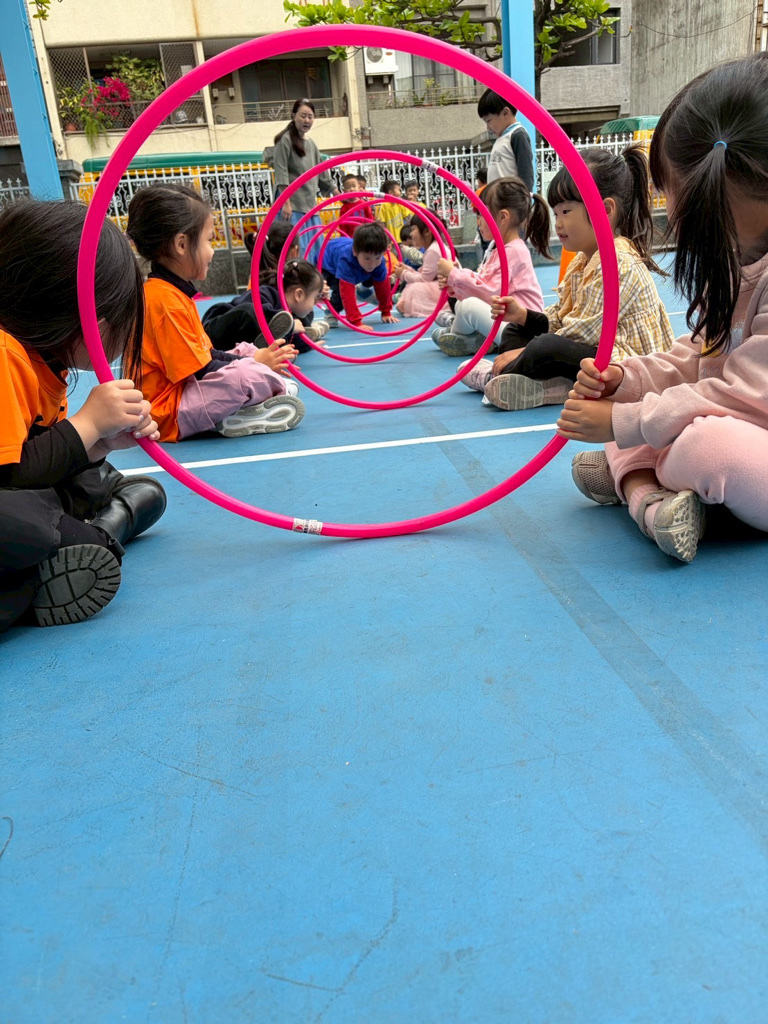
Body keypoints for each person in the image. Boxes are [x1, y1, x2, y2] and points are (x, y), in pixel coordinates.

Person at [557, 53, 768, 563]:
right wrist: (626, 380)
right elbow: (698, 355)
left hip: (744, 435)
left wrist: (628, 421)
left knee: (705, 446)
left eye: (668, 192)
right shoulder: (737, 264)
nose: (668, 211)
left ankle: (641, 485)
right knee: (652, 422)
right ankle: (656, 496)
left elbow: (747, 399)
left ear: (712, 185)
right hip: (734, 422)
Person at [0, 200, 166, 630]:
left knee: (94, 479)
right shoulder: (4, 354)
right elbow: (10, 477)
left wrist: (98, 445)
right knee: (28, 524)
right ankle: (79, 546)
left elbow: (34, 454)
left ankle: (85, 535)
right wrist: (87, 425)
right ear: (90, 320)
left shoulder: (40, 361)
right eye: (121, 317)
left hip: (19, 489)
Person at [485, 143, 675, 410]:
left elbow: (583, 333)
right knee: (516, 330)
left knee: (544, 347)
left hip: (625, 364)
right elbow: (563, 315)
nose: (558, 223)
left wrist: (525, 352)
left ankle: (504, 375)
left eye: (566, 212)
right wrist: (524, 316)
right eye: (556, 213)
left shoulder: (618, 262)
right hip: (592, 353)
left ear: (604, 210)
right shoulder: (584, 261)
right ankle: (548, 384)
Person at [127, 185, 305, 440]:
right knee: (245, 374)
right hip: (168, 412)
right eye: (209, 240)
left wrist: (255, 358)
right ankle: (243, 406)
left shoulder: (173, 293)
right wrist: (257, 365)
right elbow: (203, 370)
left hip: (186, 390)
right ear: (181, 244)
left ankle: (252, 393)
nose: (212, 251)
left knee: (245, 350)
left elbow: (206, 356)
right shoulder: (164, 302)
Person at [431, 177, 548, 356]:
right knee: (463, 304)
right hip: (504, 323)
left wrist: (454, 274)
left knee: (468, 306)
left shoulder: (514, 250)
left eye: (482, 215)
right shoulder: (497, 248)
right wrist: (452, 281)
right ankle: (471, 338)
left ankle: (464, 336)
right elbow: (483, 283)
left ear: (503, 217)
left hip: (519, 331)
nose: (478, 221)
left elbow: (489, 292)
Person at [202, 223, 330, 351]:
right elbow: (250, 314)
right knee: (251, 311)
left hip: (235, 343)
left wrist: (306, 342)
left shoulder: (290, 307)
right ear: (299, 295)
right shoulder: (266, 292)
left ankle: (272, 344)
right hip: (213, 331)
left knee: (288, 334)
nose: (315, 303)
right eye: (314, 299)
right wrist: (291, 325)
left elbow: (296, 327)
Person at [273, 98, 337, 263]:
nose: (307, 120)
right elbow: (281, 172)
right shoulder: (285, 140)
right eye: (303, 116)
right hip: (292, 207)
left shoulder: (311, 144)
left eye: (310, 116)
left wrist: (337, 192)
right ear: (293, 115)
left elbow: (321, 172)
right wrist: (286, 203)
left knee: (316, 250)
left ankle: (314, 279)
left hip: (309, 207)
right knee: (297, 251)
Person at [322, 222, 399, 331]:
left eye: (377, 258)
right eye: (367, 258)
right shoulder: (346, 260)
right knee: (339, 291)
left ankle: (362, 290)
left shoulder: (380, 261)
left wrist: (386, 312)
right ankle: (331, 312)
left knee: (377, 277)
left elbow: (383, 287)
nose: (372, 263)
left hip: (358, 266)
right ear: (355, 252)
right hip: (328, 265)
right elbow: (346, 293)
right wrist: (356, 321)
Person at [477, 89, 534, 194]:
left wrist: (524, 198)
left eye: (489, 121)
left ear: (505, 113)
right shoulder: (502, 139)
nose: (488, 128)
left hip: (511, 200)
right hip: (498, 199)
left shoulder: (518, 135)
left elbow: (526, 174)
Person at [394, 213, 444, 318]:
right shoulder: (433, 248)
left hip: (443, 290)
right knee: (412, 285)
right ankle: (406, 303)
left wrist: (403, 274)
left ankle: (409, 305)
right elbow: (424, 274)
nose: (411, 234)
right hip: (439, 286)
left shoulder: (433, 250)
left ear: (427, 232)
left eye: (413, 229)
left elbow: (424, 279)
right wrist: (407, 269)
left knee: (415, 287)